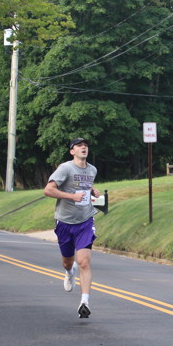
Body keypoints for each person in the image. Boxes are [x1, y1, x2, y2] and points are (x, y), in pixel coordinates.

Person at [43, 137, 101, 319]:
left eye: (86, 145)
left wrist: (92, 191)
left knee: (84, 262)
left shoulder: (92, 170)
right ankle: (69, 272)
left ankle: (85, 302)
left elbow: (84, 185)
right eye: (79, 146)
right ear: (72, 151)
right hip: (65, 222)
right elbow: (48, 190)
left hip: (85, 221)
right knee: (68, 262)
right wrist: (71, 196)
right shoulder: (65, 168)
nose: (84, 148)